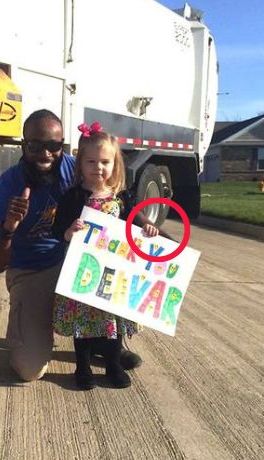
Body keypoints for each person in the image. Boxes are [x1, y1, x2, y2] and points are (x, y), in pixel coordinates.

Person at [51, 121, 168, 390]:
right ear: (80, 164)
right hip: (83, 271)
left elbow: (134, 225)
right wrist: (69, 231)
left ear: (115, 164)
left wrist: (148, 229)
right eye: (91, 161)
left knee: (111, 320)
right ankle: (83, 366)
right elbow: (58, 230)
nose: (98, 168)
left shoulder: (121, 198)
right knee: (83, 321)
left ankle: (113, 363)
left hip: (115, 275)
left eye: (105, 161)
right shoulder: (73, 197)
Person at [0, 109, 75, 381]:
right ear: (23, 146)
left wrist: (148, 227)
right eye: (35, 146)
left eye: (54, 146)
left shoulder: (74, 170)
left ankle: (106, 343)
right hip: (32, 271)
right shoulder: (1, 191)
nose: (45, 154)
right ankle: (35, 324)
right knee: (29, 369)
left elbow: (114, 192)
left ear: (62, 146)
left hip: (71, 261)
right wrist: (8, 228)